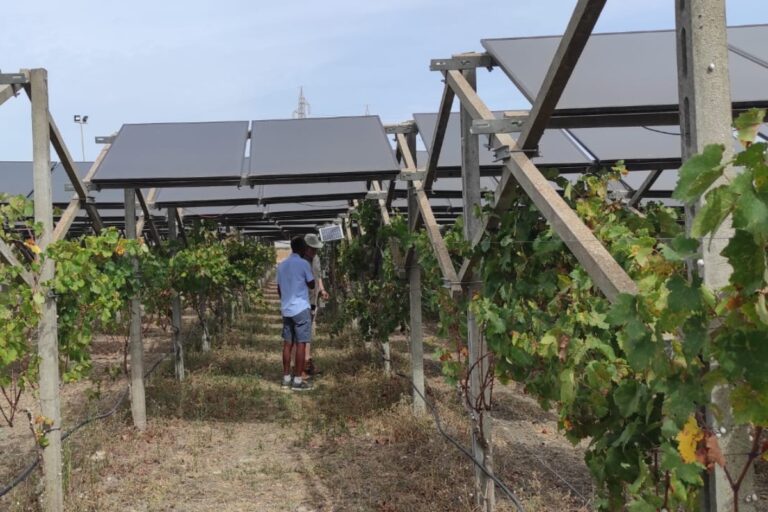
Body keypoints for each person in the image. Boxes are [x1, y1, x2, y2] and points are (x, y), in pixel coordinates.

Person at [276, 236, 315, 391]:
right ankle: (298, 381)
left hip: (286, 310)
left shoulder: (282, 265)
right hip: (301, 308)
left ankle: (286, 378)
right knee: (301, 344)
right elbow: (311, 284)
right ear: (303, 249)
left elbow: (279, 288)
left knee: (287, 344)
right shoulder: (304, 264)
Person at [302, 233, 330, 377]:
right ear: (305, 248)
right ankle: (304, 363)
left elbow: (318, 276)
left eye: (316, 249)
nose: (315, 252)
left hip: (312, 300)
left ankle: (306, 361)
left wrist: (322, 290)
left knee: (309, 330)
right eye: (312, 249)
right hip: (302, 301)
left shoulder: (316, 259)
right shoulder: (300, 261)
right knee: (303, 332)